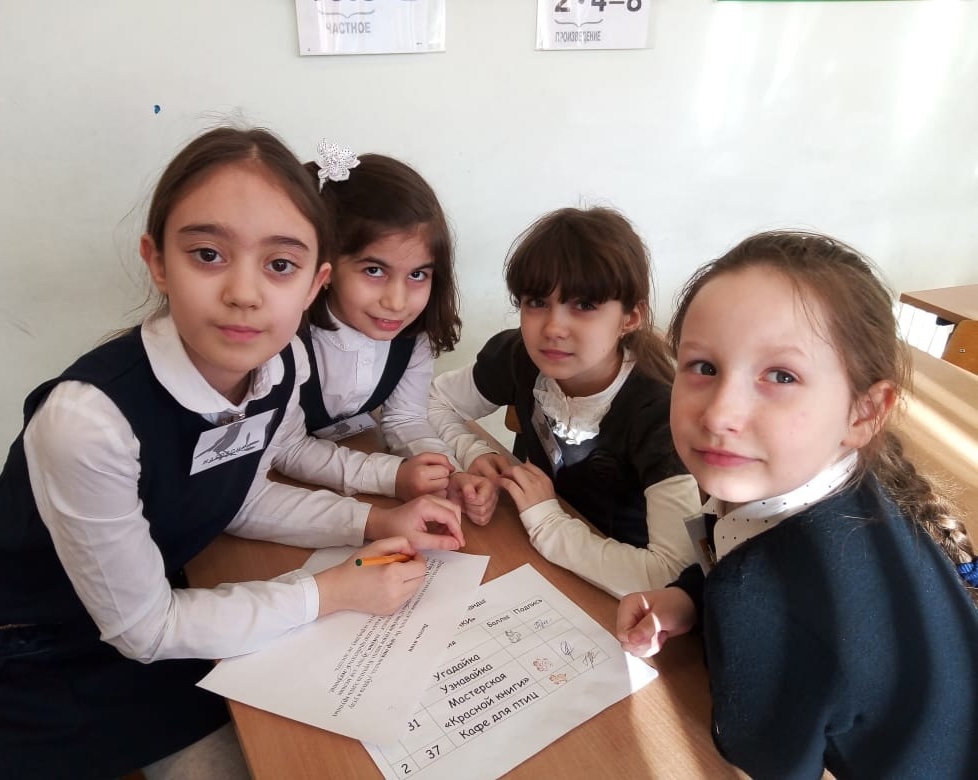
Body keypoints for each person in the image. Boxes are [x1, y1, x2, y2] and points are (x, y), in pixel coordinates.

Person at [0, 126, 465, 780]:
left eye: (280, 265)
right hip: (25, 652)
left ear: (314, 282)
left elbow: (240, 496)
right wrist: (329, 593)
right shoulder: (86, 422)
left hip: (157, 601)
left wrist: (377, 521)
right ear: (157, 261)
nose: (244, 292)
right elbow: (145, 630)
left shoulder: (276, 370)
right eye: (208, 254)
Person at [617, 231, 978, 779]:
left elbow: (768, 765)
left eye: (781, 376)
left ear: (864, 411)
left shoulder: (761, 600)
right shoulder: (859, 486)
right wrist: (690, 597)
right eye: (703, 367)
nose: (719, 414)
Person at [429, 207, 700, 596]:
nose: (553, 328)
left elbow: (673, 574)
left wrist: (548, 522)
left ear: (630, 317)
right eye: (537, 302)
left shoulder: (662, 416)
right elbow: (435, 400)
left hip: (620, 590)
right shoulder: (518, 357)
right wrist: (473, 452)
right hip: (532, 552)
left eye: (584, 305)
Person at [300, 141, 496, 525]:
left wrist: (446, 473)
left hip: (336, 482)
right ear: (327, 264)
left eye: (418, 274)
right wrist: (393, 477)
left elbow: (406, 418)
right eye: (374, 270)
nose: (397, 301)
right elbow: (286, 449)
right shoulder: (287, 339)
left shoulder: (411, 339)